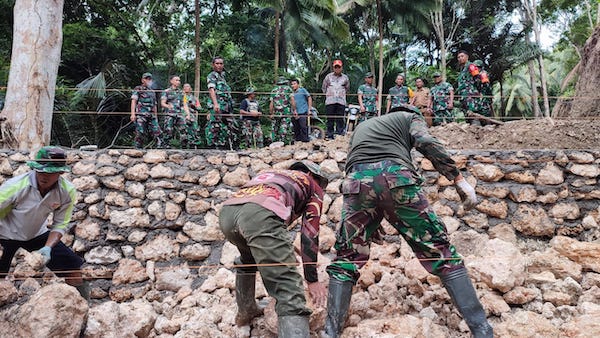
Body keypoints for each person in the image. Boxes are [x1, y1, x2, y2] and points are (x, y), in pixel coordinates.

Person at [323, 106, 493, 338]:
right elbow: (425, 141)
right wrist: (457, 177)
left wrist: (373, 218)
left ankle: (330, 333)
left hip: (355, 184)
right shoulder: (409, 117)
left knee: (346, 257)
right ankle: (482, 331)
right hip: (397, 179)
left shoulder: (364, 125)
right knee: (441, 251)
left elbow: (359, 167)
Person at [219, 160, 329, 337]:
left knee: (248, 259)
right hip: (260, 214)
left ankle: (246, 310)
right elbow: (309, 234)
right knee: (288, 288)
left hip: (227, 214)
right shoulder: (311, 184)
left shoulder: (272, 174)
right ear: (312, 175)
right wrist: (312, 279)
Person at [0, 146, 89, 300]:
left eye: (50, 172)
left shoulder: (66, 191)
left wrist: (48, 247)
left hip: (36, 234)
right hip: (5, 234)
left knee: (73, 268)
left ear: (60, 172)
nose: (43, 175)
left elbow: (60, 224)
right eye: (40, 170)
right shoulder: (14, 187)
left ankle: (83, 308)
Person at [206, 56, 239, 149]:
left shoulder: (222, 77)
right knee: (215, 126)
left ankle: (232, 145)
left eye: (221, 63)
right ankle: (213, 147)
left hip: (226, 106)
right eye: (217, 63)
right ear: (213, 65)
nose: (219, 65)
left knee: (233, 125)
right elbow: (211, 90)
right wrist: (215, 103)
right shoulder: (212, 75)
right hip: (218, 105)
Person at [130, 72, 164, 149]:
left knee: (157, 131)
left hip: (152, 115)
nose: (148, 80)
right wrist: (133, 114)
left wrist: (156, 116)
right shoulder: (138, 89)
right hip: (141, 114)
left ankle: (160, 146)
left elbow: (154, 105)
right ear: (142, 80)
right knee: (140, 132)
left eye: (149, 79)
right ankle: (138, 148)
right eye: (146, 79)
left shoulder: (152, 91)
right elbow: (133, 101)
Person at [322, 59, 350, 139]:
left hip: (341, 101)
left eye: (339, 67)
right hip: (330, 101)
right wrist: (329, 94)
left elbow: (347, 88)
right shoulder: (328, 77)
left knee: (340, 118)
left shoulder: (345, 78)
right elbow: (324, 87)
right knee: (330, 118)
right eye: (336, 67)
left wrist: (342, 94)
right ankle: (330, 135)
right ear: (333, 68)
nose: (337, 69)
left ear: (341, 68)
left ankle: (339, 134)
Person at [456, 50, 485, 125]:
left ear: (467, 57)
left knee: (473, 114)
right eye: (458, 57)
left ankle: (477, 130)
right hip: (463, 96)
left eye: (462, 56)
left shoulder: (471, 66)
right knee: (467, 115)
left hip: (471, 95)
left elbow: (478, 79)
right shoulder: (462, 70)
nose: (460, 58)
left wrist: (478, 91)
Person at [161, 75, 190, 148]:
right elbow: (162, 103)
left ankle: (184, 147)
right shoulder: (166, 91)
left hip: (179, 114)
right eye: (176, 80)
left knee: (184, 130)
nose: (178, 82)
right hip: (169, 114)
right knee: (168, 131)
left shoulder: (182, 93)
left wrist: (188, 114)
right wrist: (168, 106)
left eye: (179, 80)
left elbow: (185, 104)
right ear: (171, 81)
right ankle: (166, 147)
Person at [269, 76, 296, 145]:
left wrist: (271, 113)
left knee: (274, 127)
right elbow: (292, 100)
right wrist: (294, 110)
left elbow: (271, 103)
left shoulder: (274, 90)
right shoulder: (288, 89)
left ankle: (272, 142)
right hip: (286, 111)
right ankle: (281, 142)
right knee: (283, 127)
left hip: (276, 112)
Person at [182, 83, 202, 149]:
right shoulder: (180, 96)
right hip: (183, 116)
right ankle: (183, 146)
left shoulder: (194, 98)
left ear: (191, 89)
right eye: (184, 87)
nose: (186, 88)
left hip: (192, 117)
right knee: (184, 132)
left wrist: (194, 106)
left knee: (194, 131)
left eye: (187, 86)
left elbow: (200, 108)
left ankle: (193, 146)